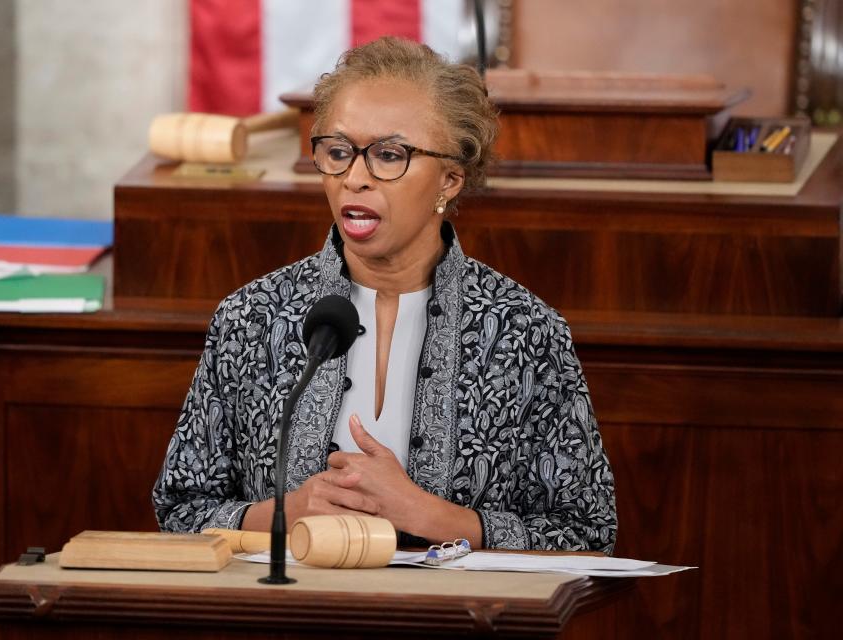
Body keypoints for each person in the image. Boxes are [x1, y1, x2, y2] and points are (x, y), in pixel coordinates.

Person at [153, 37, 617, 553]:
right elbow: (180, 510)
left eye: (389, 155)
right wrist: (280, 514)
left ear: (450, 179)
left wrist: (433, 516)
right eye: (337, 152)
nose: (354, 178)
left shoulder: (524, 331)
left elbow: (587, 533)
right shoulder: (252, 318)